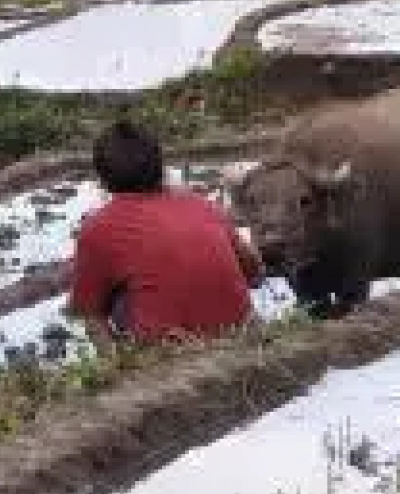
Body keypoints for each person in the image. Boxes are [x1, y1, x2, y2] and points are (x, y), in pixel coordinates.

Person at [66, 120, 263, 351]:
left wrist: (117, 368)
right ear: (161, 167)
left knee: (103, 299)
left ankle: (133, 368)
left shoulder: (98, 227)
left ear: (102, 179)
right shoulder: (202, 206)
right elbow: (254, 271)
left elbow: (88, 314)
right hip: (247, 336)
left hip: (171, 351)